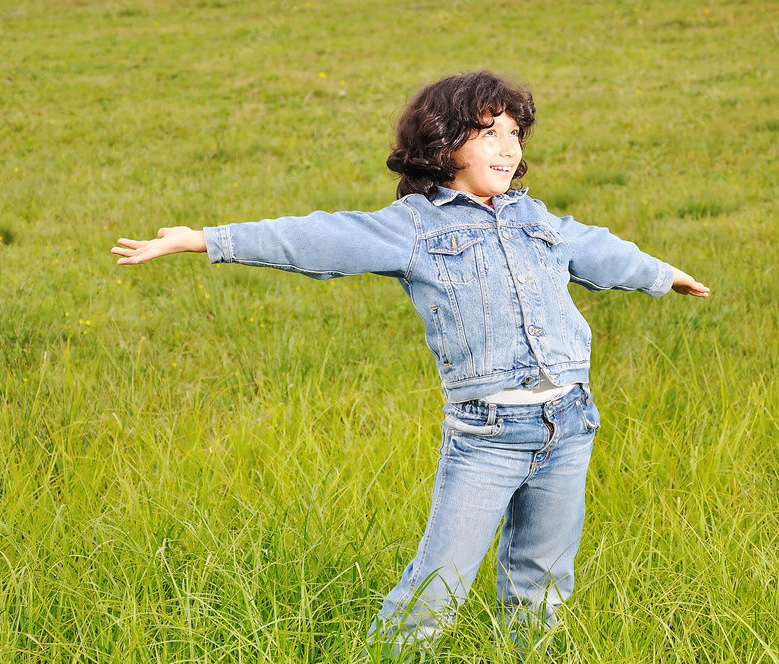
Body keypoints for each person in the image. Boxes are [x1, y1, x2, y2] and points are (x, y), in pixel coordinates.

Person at [112, 71, 709, 660]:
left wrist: (665, 276)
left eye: (514, 132)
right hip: (489, 436)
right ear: (444, 143)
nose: (508, 146)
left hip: (570, 424)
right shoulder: (415, 227)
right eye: (488, 132)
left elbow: (600, 249)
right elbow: (317, 239)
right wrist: (203, 239)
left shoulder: (536, 218)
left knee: (543, 585)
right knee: (435, 591)